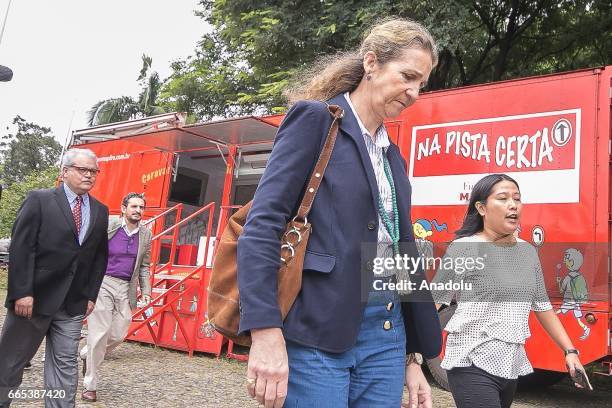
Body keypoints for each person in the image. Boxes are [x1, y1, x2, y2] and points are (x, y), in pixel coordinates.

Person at [237, 17, 442, 408]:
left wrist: (412, 356)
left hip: (387, 329)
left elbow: (402, 250)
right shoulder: (315, 120)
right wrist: (265, 331)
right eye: (407, 76)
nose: (414, 92)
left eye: (421, 84)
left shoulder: (392, 155)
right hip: (317, 326)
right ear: (371, 63)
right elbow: (263, 225)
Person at [432, 174, 589, 408]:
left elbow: (543, 307)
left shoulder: (527, 252)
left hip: (509, 366)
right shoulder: (465, 248)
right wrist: (412, 353)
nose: (513, 205)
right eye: (503, 198)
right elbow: (433, 302)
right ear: (481, 208)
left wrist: (570, 351)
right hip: (470, 361)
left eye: (517, 198)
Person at [0, 148, 109, 407]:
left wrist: (90, 296)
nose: (89, 175)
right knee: (10, 362)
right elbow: (22, 249)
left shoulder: (100, 210)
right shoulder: (39, 200)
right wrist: (22, 292)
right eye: (83, 169)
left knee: (65, 367)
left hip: (72, 304)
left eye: (93, 171)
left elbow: (98, 258)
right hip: (33, 301)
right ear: (65, 172)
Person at [80, 192, 152, 402]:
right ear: (123, 208)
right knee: (99, 332)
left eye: (141, 207)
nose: (138, 210)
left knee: (120, 333)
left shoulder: (146, 235)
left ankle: (87, 352)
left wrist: (145, 291)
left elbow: (145, 265)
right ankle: (90, 385)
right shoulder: (109, 225)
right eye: (134, 206)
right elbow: (90, 250)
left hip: (126, 287)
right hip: (102, 283)